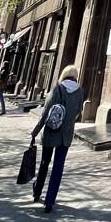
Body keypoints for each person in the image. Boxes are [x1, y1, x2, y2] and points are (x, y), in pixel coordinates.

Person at [30, 65, 84, 213]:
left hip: (51, 131)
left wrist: (35, 131)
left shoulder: (57, 89)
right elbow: (78, 112)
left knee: (44, 163)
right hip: (66, 135)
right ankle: (50, 201)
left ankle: (37, 191)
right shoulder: (79, 91)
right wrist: (69, 122)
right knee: (58, 167)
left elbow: (45, 113)